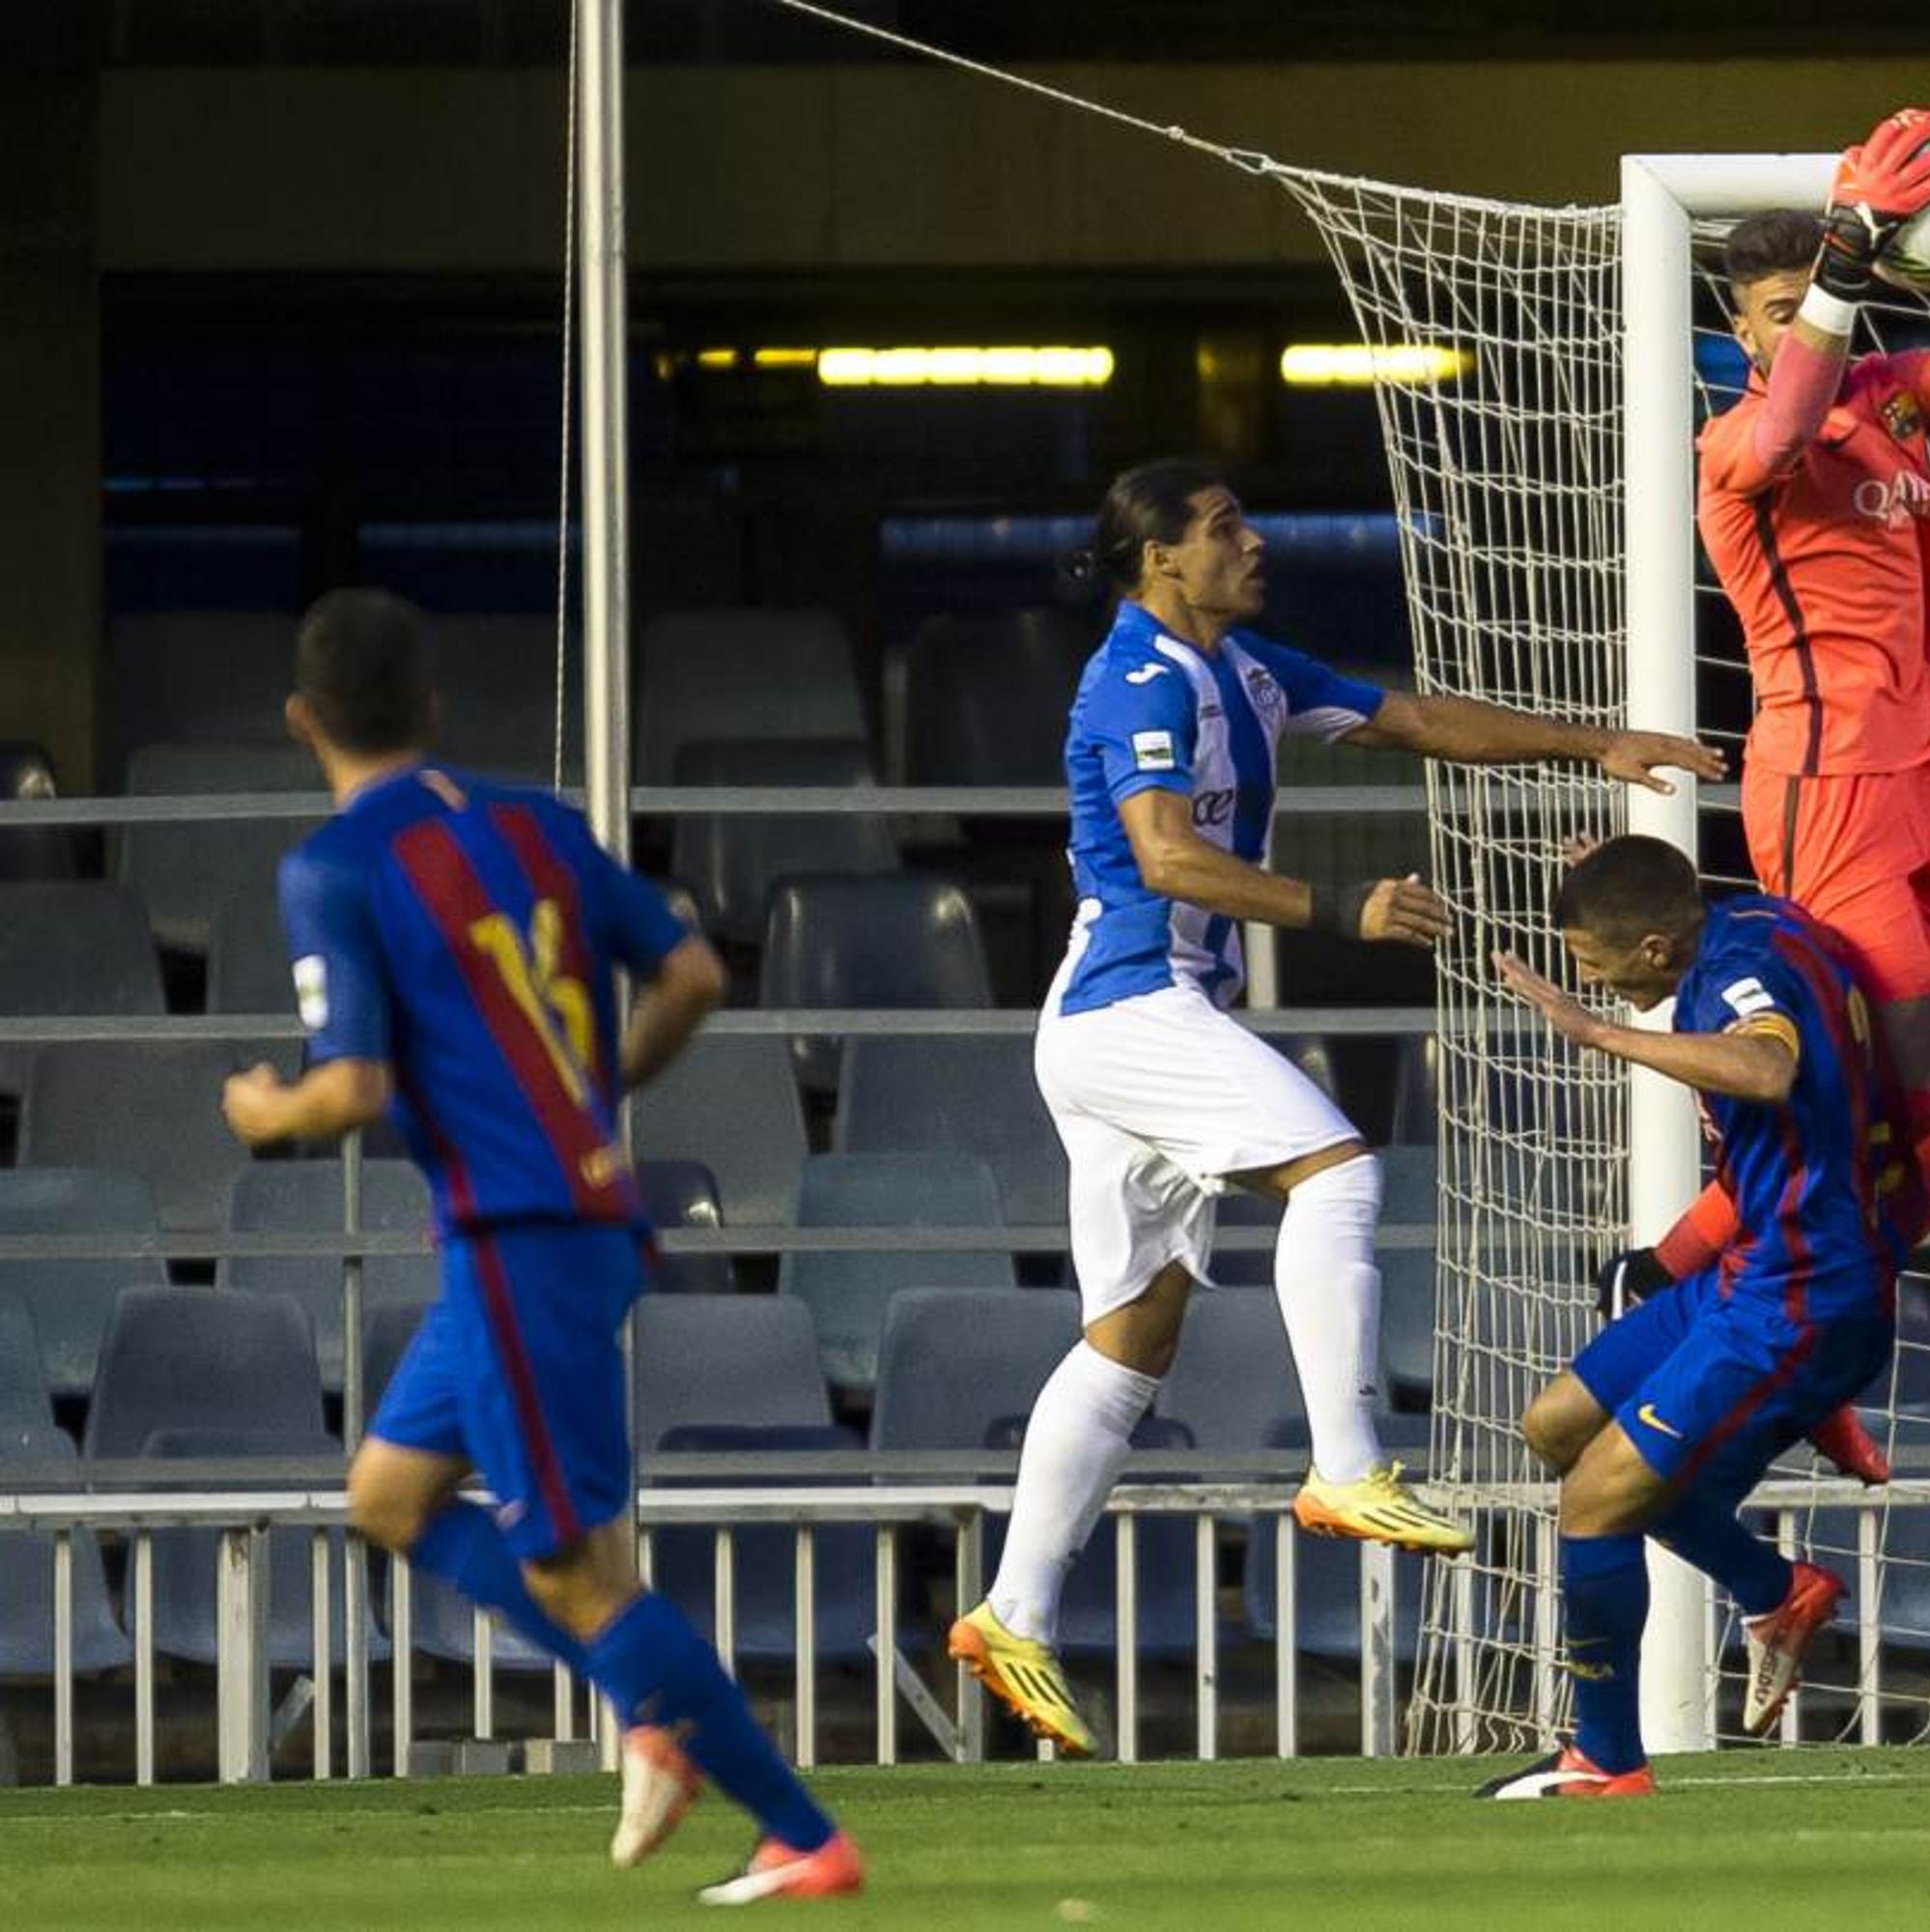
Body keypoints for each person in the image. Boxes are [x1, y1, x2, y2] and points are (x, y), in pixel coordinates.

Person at [949, 459, 1724, 1757]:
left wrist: (1598, 746)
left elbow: (1414, 721)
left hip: (1139, 1021)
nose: (1253, 542)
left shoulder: (1246, 669)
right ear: (1159, 562)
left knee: (1136, 1339)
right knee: (1341, 1170)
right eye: (1223, 528)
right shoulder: (1136, 677)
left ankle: (1012, 1612)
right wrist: (1336, 910)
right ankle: (1348, 1465)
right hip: (1128, 1010)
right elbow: (1166, 856)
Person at [220, 589, 861, 1903]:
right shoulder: (535, 822)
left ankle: (793, 1826)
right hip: (556, 1225)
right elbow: (693, 974)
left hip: (524, 1240)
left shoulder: (334, 867)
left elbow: (343, 1090)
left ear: (302, 721)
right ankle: (640, 1694)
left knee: (575, 1574)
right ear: (433, 708)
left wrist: (262, 1108)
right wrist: (597, 1088)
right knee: (388, 1499)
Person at [1613, 107, 1930, 1484]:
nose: (1799, 322)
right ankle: (1760, 1311)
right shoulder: (1739, 442)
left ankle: (1700, 1273)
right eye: (1770, 307)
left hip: (1929, 780)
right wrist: (1840, 265)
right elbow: (1788, 421)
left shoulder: (1891, 398)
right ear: (1744, 329)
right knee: (1880, 1086)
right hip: (1827, 781)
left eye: (1803, 296)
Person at [1478, 835, 1918, 1797]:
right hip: (1750, 1268)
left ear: (1653, 948)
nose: (1587, 983)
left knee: (1593, 1499)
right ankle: (1773, 1588)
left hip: (1799, 1293)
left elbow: (1765, 1069)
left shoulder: (1737, 974)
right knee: (1555, 1426)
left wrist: (1599, 1037)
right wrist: (1617, 873)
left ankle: (1603, 1758)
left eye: (1596, 966)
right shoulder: (1754, 917)